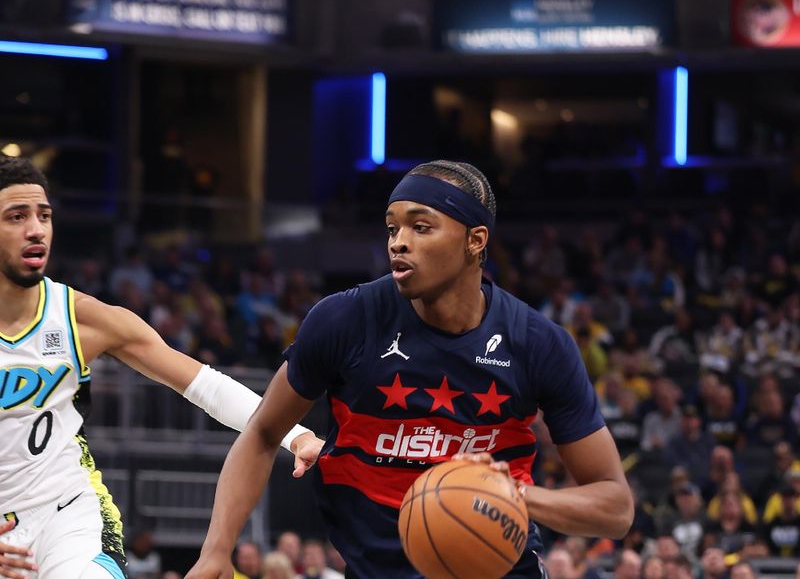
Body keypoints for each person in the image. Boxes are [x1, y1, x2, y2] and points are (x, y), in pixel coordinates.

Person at [186, 160, 633, 579]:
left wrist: (515, 497)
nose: (399, 241)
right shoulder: (345, 319)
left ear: (475, 241)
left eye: (421, 227)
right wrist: (216, 551)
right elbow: (263, 433)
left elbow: (615, 507)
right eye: (392, 227)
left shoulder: (538, 343)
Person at [0, 156, 324, 579]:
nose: (36, 229)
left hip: (67, 516)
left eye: (43, 215)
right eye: (16, 216)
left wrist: (296, 436)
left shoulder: (81, 317)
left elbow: (203, 384)